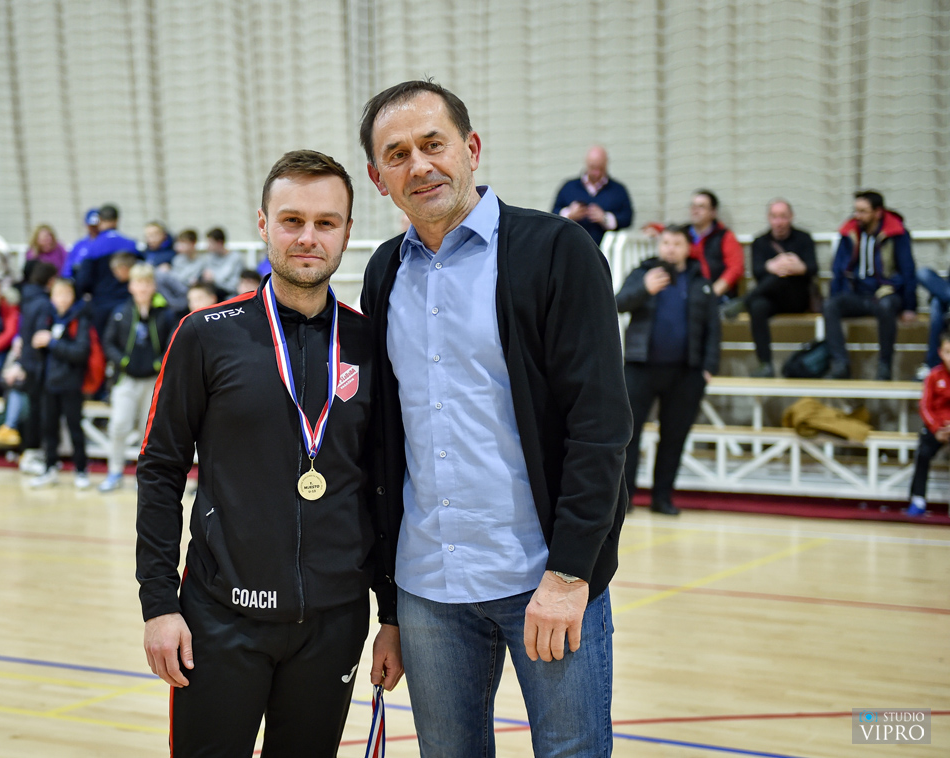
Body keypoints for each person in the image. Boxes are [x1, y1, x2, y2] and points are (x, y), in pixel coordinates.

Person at [358, 80, 630, 757]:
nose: (420, 165)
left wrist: (571, 573)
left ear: (471, 149)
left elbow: (600, 426)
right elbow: (387, 443)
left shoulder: (558, 249)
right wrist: (389, 607)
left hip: (544, 578)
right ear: (378, 178)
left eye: (434, 144)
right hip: (428, 588)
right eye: (398, 154)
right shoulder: (383, 271)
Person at [138, 149, 401, 757]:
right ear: (263, 224)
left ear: (347, 232)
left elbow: (385, 486)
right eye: (291, 220)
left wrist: (390, 614)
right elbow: (160, 472)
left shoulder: (370, 341)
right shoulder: (206, 335)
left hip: (335, 623)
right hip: (220, 618)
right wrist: (158, 605)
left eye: (325, 222)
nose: (308, 237)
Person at [617, 225, 720, 515]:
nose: (670, 249)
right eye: (665, 243)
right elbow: (617, 303)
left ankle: (662, 498)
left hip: (686, 372)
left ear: (688, 248)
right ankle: (625, 499)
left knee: (674, 437)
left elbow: (713, 327)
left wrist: (708, 368)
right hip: (640, 367)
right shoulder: (643, 272)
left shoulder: (700, 280)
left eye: (677, 243)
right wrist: (644, 289)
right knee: (628, 436)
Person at [98, 263, 176, 493]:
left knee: (148, 431)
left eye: (146, 283)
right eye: (138, 283)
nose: (142, 288)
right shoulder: (120, 312)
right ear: (131, 286)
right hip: (126, 379)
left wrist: (158, 363)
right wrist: (122, 361)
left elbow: (172, 342)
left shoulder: (164, 313)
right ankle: (114, 472)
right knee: (119, 425)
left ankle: (143, 476)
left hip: (153, 381)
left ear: (153, 286)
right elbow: (108, 342)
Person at [825, 190, 916, 380]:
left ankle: (884, 366)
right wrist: (837, 293)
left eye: (863, 211)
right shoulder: (849, 233)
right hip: (857, 294)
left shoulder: (896, 233)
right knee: (830, 305)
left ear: (878, 212)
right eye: (856, 210)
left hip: (886, 292)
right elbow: (838, 269)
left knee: (886, 305)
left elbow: (907, 270)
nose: (857, 216)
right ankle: (840, 364)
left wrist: (910, 306)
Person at [29, 278, 92, 489]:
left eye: (67, 294)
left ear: (73, 296)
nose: (62, 298)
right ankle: (49, 468)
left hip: (71, 384)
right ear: (52, 297)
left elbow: (80, 352)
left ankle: (81, 470)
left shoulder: (79, 319)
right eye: (58, 294)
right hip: (48, 383)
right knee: (48, 428)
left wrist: (52, 343)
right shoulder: (47, 318)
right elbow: (37, 347)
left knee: (75, 428)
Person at [743, 200, 818, 376]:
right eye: (775, 217)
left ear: (791, 217)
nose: (779, 222)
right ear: (769, 218)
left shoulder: (803, 238)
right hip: (771, 298)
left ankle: (743, 301)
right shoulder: (760, 242)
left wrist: (798, 267)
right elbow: (757, 272)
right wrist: (772, 266)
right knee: (757, 306)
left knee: (783, 277)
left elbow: (813, 269)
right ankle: (765, 364)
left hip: (797, 298)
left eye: (783, 216)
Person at [6, 261, 60, 474]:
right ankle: (31, 454)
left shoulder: (27, 298)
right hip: (37, 365)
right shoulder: (44, 303)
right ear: (51, 280)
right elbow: (39, 337)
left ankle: (28, 452)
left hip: (27, 361)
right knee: (37, 412)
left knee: (32, 409)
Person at [75, 204, 141, 334]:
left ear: (99, 220)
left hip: (102, 304)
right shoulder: (131, 244)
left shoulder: (91, 248)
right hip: (128, 301)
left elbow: (83, 280)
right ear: (117, 220)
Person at [552, 145, 634, 245]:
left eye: (601, 168)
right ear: (586, 164)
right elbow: (553, 215)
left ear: (606, 164)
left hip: (605, 248)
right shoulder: (569, 187)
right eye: (593, 167)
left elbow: (627, 218)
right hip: (573, 246)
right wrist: (570, 214)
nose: (597, 173)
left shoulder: (618, 190)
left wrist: (605, 218)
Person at [908, 327, 950, 517]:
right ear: (940, 352)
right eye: (947, 352)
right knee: (923, 453)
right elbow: (925, 406)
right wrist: (937, 428)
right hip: (936, 428)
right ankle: (918, 499)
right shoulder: (933, 375)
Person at [687, 190, 744, 300]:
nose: (695, 210)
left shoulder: (725, 236)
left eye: (701, 207)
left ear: (713, 212)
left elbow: (735, 269)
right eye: (693, 206)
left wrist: (712, 293)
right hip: (688, 293)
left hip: (717, 294)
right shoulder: (683, 234)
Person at [201, 227, 245, 296]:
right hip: (213, 292)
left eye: (210, 243)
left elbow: (235, 284)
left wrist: (214, 280)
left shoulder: (235, 258)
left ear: (219, 243)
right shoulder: (210, 257)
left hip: (229, 293)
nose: (208, 246)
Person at [63, 208, 101, 278]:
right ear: (86, 225)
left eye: (96, 226)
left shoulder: (106, 243)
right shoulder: (79, 245)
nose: (94, 228)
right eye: (91, 226)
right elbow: (68, 268)